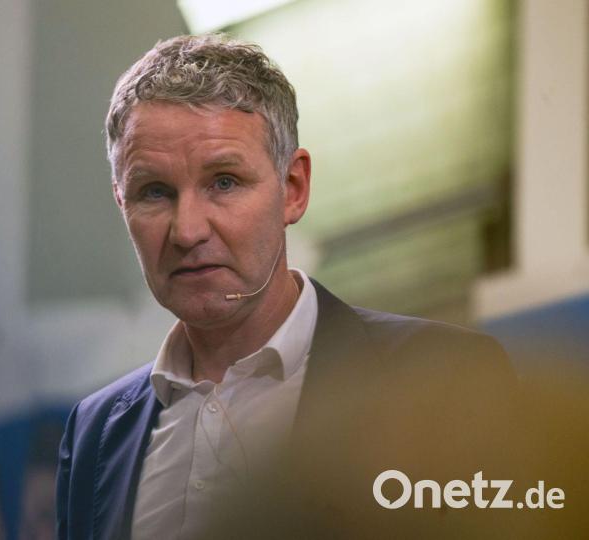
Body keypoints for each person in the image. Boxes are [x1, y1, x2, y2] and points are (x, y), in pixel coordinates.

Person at [56, 34, 516, 539]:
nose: (187, 230)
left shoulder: (445, 382)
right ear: (123, 206)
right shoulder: (95, 434)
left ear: (293, 190)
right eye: (154, 192)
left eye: (224, 181)